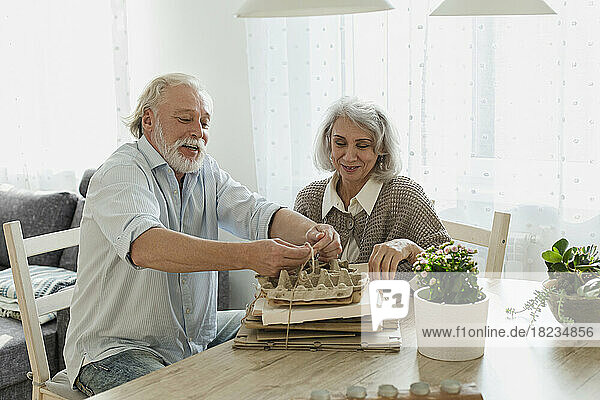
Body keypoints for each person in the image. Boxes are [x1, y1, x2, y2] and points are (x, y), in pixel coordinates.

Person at [64, 73, 342, 396]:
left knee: (295, 326)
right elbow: (146, 246)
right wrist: (251, 256)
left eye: (204, 123)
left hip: (191, 342)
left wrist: (313, 232)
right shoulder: (121, 171)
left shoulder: (204, 169)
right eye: (185, 119)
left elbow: (256, 212)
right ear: (149, 120)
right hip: (114, 351)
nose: (197, 133)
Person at [294, 96, 450, 279]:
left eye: (362, 145)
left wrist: (410, 248)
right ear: (328, 142)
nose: (349, 157)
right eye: (340, 143)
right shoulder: (308, 198)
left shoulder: (406, 196)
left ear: (381, 148)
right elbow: (291, 273)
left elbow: (454, 271)